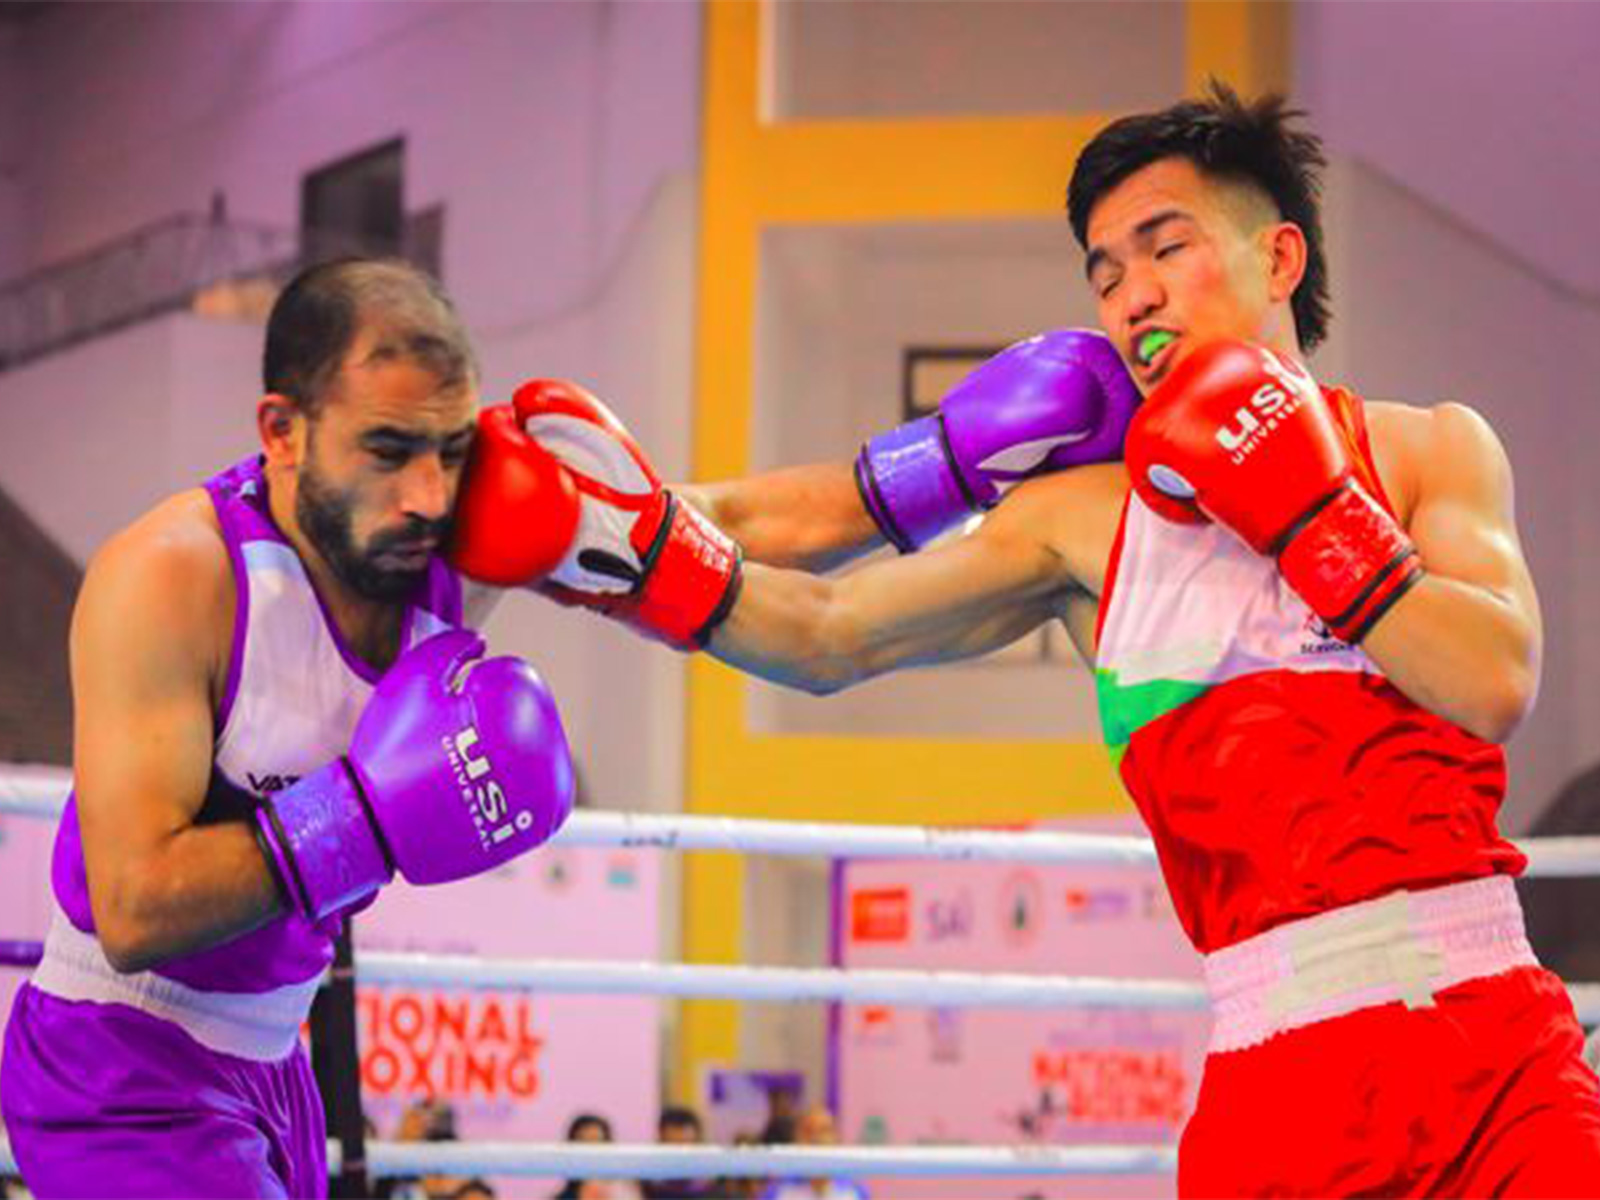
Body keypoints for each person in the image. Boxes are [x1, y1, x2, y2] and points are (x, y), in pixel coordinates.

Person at [449, 85, 1600, 1197]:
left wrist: (1306, 506)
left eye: (1165, 248)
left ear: (1279, 260)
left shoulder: (1425, 450)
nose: (1134, 296)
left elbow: (1492, 678)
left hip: (1497, 1052)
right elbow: (827, 630)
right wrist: (612, 547)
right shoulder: (1080, 523)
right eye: (1105, 274)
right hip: (1278, 1082)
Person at [0, 259, 576, 1199]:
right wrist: (362, 818)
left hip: (276, 1060)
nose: (430, 494)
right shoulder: (175, 573)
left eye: (453, 449)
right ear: (282, 432)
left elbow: (708, 537)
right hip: (118, 1058)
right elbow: (133, 909)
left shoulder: (440, 552)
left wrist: (903, 476)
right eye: (388, 449)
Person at [757, 1107, 866, 1200]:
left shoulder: (854, 1192)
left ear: (836, 1138)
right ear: (796, 1139)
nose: (816, 1138)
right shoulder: (777, 1191)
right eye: (808, 1130)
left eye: (824, 1130)